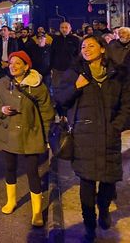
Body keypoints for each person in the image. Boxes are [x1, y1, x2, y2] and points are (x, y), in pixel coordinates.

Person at [54, 35, 130, 242]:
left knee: (109, 180)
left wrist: (116, 126)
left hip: (109, 135)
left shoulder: (118, 73)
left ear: (103, 49)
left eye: (91, 45)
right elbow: (60, 100)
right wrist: (76, 86)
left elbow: (127, 105)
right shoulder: (75, 73)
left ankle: (104, 209)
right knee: (86, 183)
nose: (86, 49)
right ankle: (89, 225)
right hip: (83, 135)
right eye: (83, 46)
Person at [0, 51, 55, 227]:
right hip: (8, 133)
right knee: (10, 167)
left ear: (26, 66)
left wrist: (47, 137)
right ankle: (11, 201)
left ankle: (37, 211)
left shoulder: (37, 86)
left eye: (18, 63)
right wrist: (1, 109)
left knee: (32, 171)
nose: (13, 66)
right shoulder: (3, 83)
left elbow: (47, 112)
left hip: (32, 133)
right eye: (11, 63)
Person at [50, 22, 81, 99]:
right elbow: (52, 54)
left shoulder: (75, 40)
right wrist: (51, 67)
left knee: (70, 88)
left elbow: (78, 54)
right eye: (62, 27)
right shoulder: (55, 40)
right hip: (57, 69)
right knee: (56, 87)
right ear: (60, 29)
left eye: (66, 27)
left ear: (70, 29)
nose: (64, 29)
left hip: (70, 69)